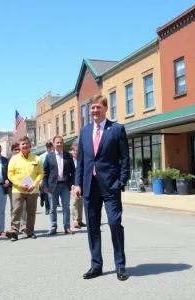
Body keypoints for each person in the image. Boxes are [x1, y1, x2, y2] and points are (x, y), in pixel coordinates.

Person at [74, 94, 130, 281]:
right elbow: (81, 160)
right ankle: (96, 265)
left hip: (111, 185)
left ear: (106, 108)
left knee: (114, 223)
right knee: (92, 227)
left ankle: (120, 266)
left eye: (98, 107)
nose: (95, 111)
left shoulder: (116, 129)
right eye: (92, 108)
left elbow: (125, 158)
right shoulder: (84, 131)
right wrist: (78, 183)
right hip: (90, 186)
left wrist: (121, 180)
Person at [7, 136, 43, 241]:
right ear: (20, 146)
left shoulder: (36, 158)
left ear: (30, 145)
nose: (25, 146)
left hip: (32, 189)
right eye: (23, 144)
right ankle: (14, 232)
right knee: (16, 210)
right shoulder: (14, 159)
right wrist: (19, 184)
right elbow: (10, 174)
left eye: (27, 143)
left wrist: (34, 184)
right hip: (18, 190)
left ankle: (30, 231)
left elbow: (40, 173)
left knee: (31, 211)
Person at [43, 136, 75, 235]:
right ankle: (53, 227)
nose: (59, 144)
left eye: (61, 142)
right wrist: (45, 186)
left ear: (63, 143)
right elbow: (45, 172)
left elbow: (73, 171)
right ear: (53, 144)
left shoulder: (68, 156)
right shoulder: (49, 156)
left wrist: (73, 183)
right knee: (52, 208)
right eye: (57, 143)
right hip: (53, 186)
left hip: (65, 185)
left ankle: (67, 227)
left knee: (66, 207)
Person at [69, 144, 86, 229]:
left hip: (81, 185)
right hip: (73, 185)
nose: (76, 152)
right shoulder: (69, 161)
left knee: (80, 202)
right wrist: (71, 184)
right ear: (71, 151)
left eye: (77, 150)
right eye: (74, 150)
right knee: (74, 202)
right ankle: (75, 220)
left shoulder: (81, 160)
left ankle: (79, 220)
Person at [39, 141, 53, 214]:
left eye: (50, 146)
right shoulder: (42, 156)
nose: (49, 148)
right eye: (48, 146)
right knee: (43, 193)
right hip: (44, 176)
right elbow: (39, 168)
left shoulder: (54, 155)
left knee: (49, 193)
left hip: (52, 177)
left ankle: (49, 208)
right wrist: (40, 180)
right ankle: (42, 199)